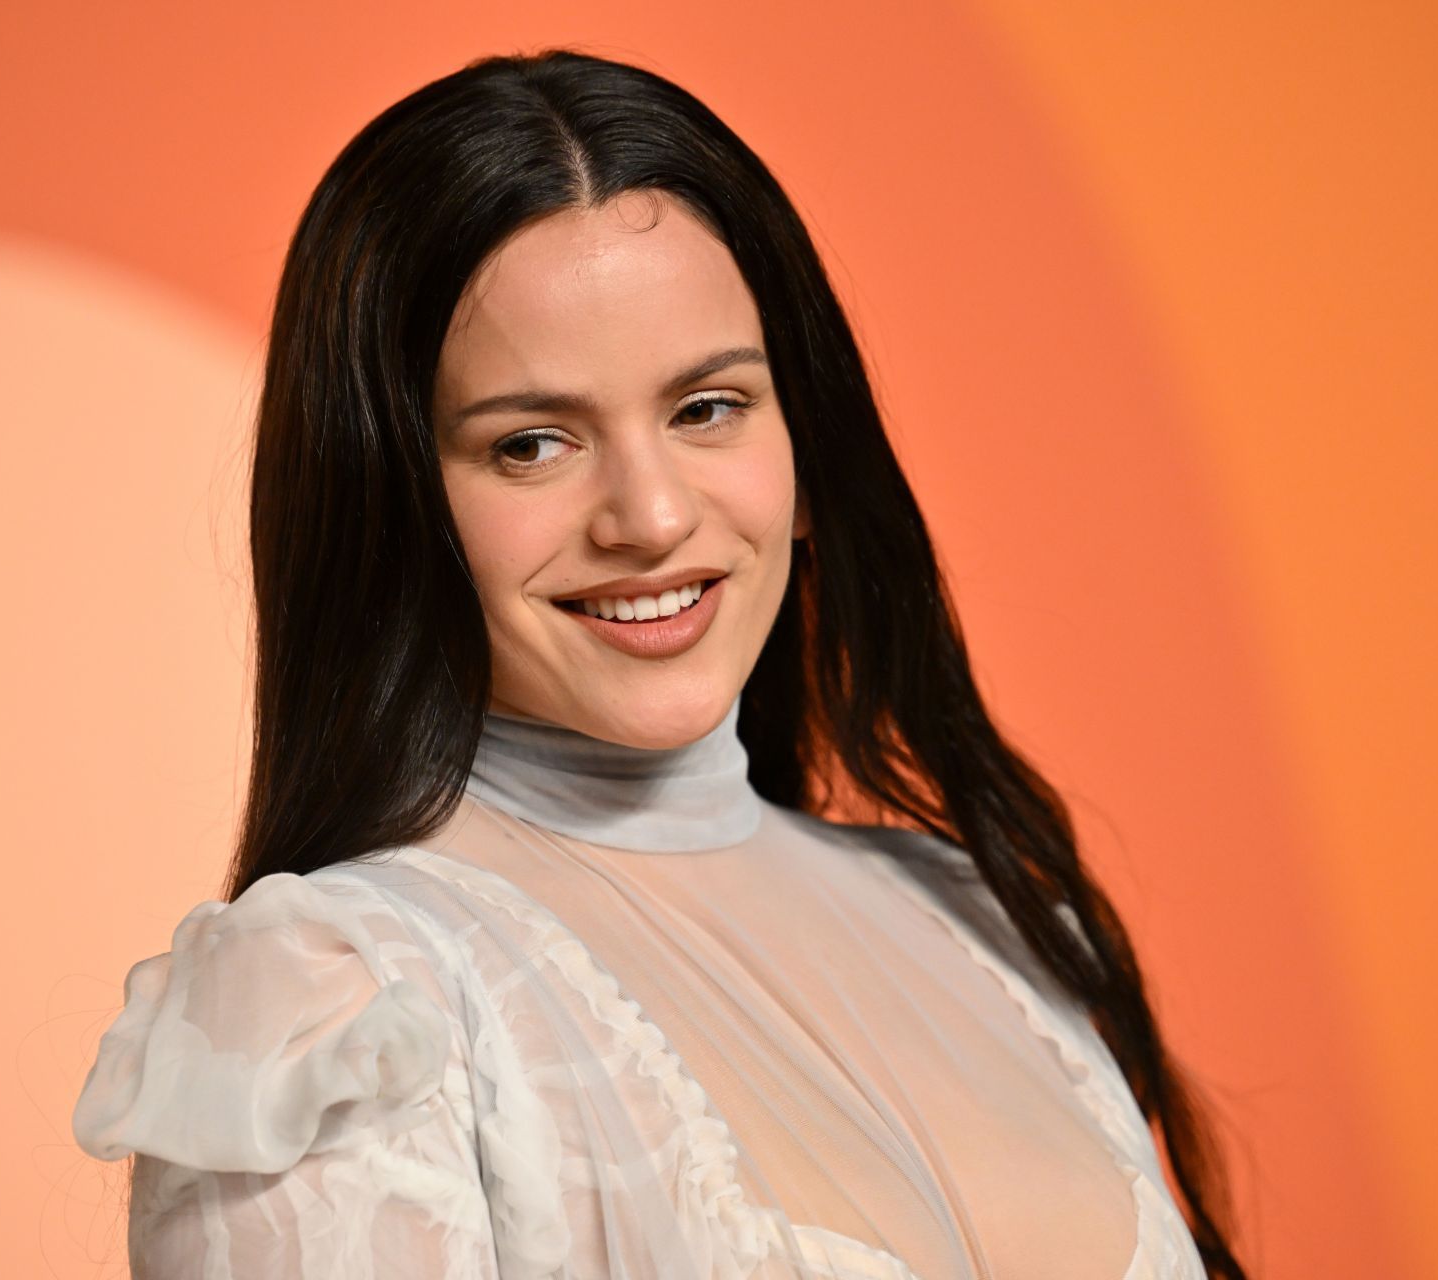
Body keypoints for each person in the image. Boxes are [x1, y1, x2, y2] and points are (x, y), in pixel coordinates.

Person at [70, 47, 1252, 1280]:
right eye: (532, 442)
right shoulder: (336, 1008)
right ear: (394, 507)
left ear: (807, 452)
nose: (648, 515)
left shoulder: (992, 921)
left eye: (707, 408)